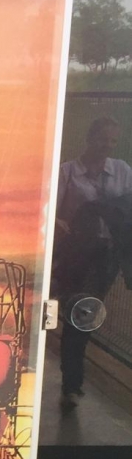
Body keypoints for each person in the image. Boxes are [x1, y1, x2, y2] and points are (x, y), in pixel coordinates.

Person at [54, 116, 132, 408]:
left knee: (82, 317)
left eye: (113, 141)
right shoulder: (67, 173)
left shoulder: (122, 171)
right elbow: (52, 211)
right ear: (89, 139)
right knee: (79, 314)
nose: (107, 146)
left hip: (106, 260)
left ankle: (71, 384)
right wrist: (60, 223)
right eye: (103, 139)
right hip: (76, 256)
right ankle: (71, 384)